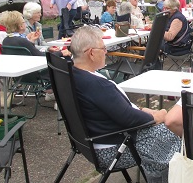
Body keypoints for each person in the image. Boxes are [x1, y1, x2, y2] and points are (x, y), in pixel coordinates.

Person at [69, 26, 180, 182]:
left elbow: (116, 110)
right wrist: (157, 116)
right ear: (91, 53)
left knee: (167, 132)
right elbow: (129, 119)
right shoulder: (96, 85)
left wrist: (143, 110)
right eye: (103, 48)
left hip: (94, 143)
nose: (106, 52)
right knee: (176, 132)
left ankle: (158, 175)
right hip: (113, 148)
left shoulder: (74, 74)